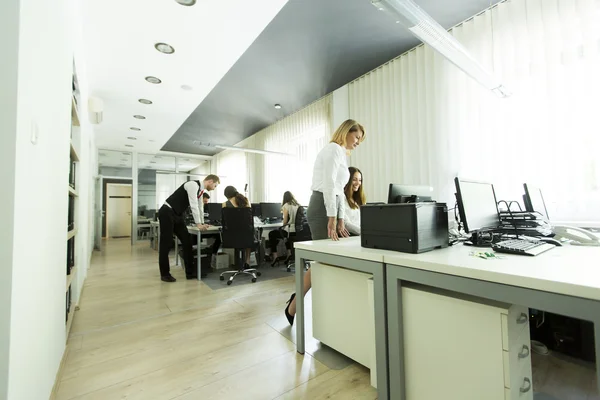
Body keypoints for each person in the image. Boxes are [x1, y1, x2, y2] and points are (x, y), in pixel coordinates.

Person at [284, 119, 366, 325]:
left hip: (329, 206)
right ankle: (299, 306)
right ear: (347, 131)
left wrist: (339, 218)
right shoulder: (333, 149)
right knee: (324, 260)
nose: (358, 142)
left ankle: (310, 308)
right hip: (321, 206)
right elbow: (329, 185)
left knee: (329, 260)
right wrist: (331, 216)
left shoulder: (341, 155)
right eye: (357, 137)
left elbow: (339, 190)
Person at [157, 174, 220, 282]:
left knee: (187, 241)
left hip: (177, 215)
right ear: (210, 181)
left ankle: (190, 273)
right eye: (215, 185)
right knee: (166, 244)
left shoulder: (200, 191)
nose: (214, 188)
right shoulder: (192, 185)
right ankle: (165, 274)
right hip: (167, 212)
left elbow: (200, 206)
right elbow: (193, 204)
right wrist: (198, 224)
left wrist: (202, 223)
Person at [222, 186, 253, 268]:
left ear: (227, 195)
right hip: (246, 235)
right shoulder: (246, 201)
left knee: (239, 237)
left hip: (232, 236)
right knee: (247, 237)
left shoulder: (225, 204)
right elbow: (250, 219)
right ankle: (247, 261)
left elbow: (224, 221)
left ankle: (238, 263)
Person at [268, 191, 300, 266]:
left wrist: (282, 225)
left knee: (272, 234)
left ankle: (275, 256)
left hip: (289, 230)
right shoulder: (298, 205)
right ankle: (289, 253)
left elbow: (285, 220)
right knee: (286, 237)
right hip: (298, 231)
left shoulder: (286, 205)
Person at [343, 167, 366, 235]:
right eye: (354, 180)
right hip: (351, 235)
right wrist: (365, 232)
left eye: (360, 180)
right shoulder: (341, 199)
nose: (358, 183)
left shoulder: (359, 199)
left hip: (360, 235)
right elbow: (346, 224)